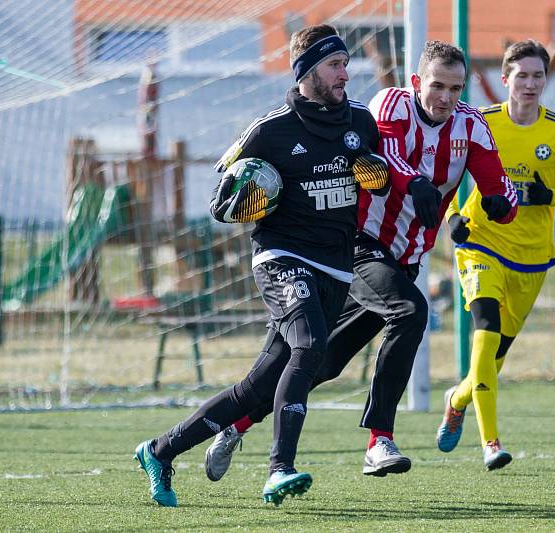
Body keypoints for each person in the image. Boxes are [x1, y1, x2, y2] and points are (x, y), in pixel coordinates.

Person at [203, 40, 518, 482]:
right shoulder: (390, 106)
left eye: (456, 88)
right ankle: (379, 440)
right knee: (411, 312)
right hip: (359, 246)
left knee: (325, 362)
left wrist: (502, 204)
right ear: (416, 83)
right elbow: (382, 155)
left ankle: (237, 424)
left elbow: (496, 180)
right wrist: (414, 184)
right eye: (437, 86)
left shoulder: (471, 125)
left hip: (405, 259)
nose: (446, 97)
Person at [134, 24, 389, 507]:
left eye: (345, 65)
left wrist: (375, 175)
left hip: (336, 267)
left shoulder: (360, 120)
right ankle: (279, 469)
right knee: (311, 345)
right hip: (283, 258)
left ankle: (159, 450)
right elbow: (220, 201)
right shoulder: (268, 130)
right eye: (336, 65)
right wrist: (251, 200)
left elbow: (373, 180)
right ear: (308, 70)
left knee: (258, 387)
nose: (345, 74)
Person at [436, 39, 555, 470]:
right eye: (521, 75)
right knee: (484, 333)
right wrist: (451, 217)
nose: (530, 83)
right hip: (480, 244)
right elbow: (444, 175)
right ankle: (491, 444)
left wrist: (549, 196)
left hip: (531, 258)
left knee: (493, 360)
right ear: (504, 79)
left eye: (537, 75)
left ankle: (457, 398)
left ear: (545, 79)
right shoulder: (478, 122)